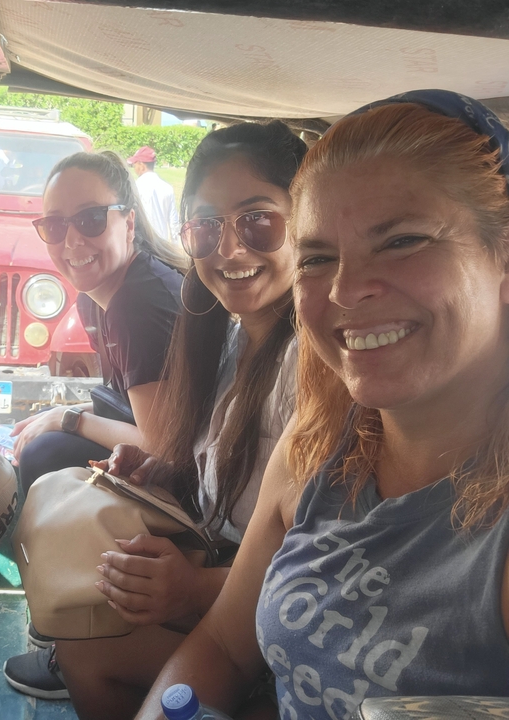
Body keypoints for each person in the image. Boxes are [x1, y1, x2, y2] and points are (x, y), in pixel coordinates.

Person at [137, 89, 509, 720]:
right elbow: (225, 648)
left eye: (402, 241)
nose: (345, 289)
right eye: (318, 258)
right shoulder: (317, 447)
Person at [5, 123, 307, 716]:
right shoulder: (227, 337)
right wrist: (167, 468)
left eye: (257, 219)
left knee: (88, 651)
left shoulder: (309, 362)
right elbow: (202, 451)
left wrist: (193, 590)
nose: (229, 248)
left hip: (263, 602)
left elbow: (325, 559)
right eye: (205, 226)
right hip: (221, 553)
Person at [9, 150, 188, 493]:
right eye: (55, 225)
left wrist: (68, 419)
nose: (72, 241)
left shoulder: (138, 304)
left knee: (44, 453)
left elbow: (163, 444)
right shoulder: (95, 299)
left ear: (129, 223)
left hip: (194, 475)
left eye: (91, 219)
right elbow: (129, 407)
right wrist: (60, 414)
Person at [128, 146, 180, 244]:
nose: (134, 168)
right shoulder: (167, 188)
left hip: (142, 244)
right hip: (162, 244)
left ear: (141, 165)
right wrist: (174, 245)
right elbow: (174, 222)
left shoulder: (136, 187)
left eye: (135, 164)